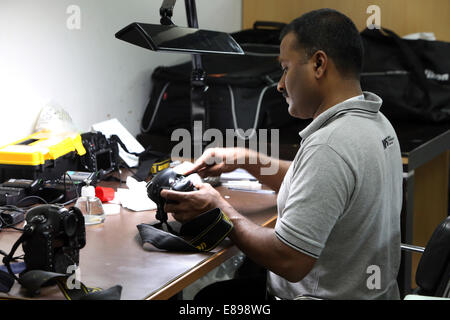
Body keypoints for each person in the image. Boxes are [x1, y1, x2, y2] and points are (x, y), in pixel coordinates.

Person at [160, 8, 403, 300]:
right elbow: (322, 186)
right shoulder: (375, 122)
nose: (279, 84)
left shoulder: (330, 145)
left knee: (203, 303)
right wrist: (246, 159)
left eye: (285, 68)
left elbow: (289, 259)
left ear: (319, 64)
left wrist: (218, 209)